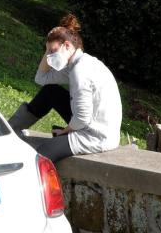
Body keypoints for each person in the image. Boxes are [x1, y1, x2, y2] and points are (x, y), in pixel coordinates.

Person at [7, 13, 123, 162]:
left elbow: (81, 119)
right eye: (47, 52)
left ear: (67, 45)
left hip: (96, 135)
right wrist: (50, 47)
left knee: (40, 156)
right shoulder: (76, 63)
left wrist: (64, 132)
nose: (49, 57)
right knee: (50, 91)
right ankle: (11, 130)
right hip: (91, 124)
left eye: (52, 51)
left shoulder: (80, 71)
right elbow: (41, 79)